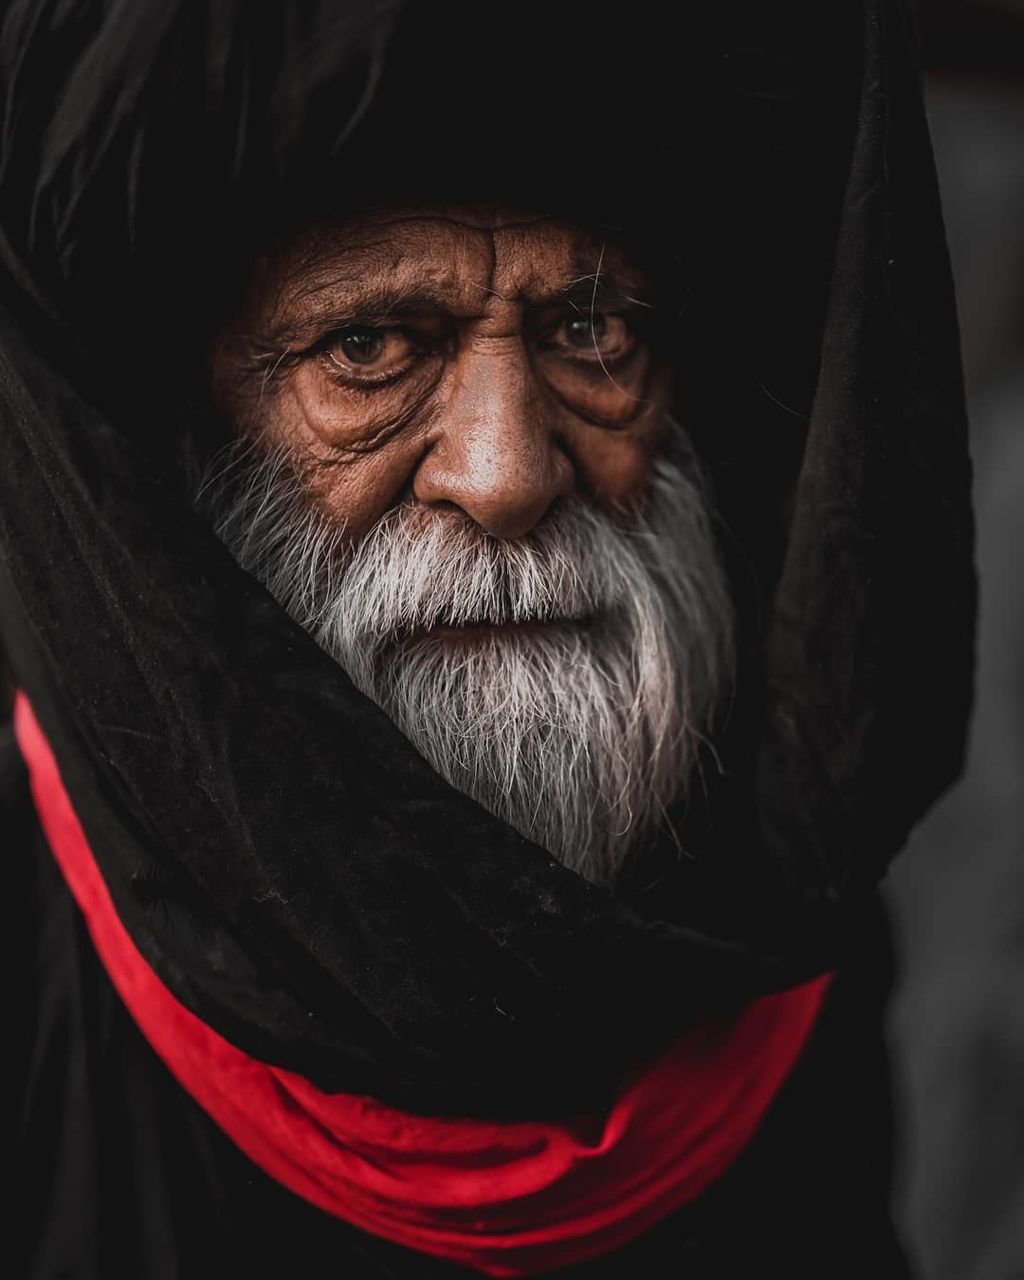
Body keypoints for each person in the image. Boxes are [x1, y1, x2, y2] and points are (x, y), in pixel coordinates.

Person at [0, 2, 976, 1277]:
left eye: (589, 332)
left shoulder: (783, 900)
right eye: (368, 347)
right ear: (181, 449)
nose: (507, 472)